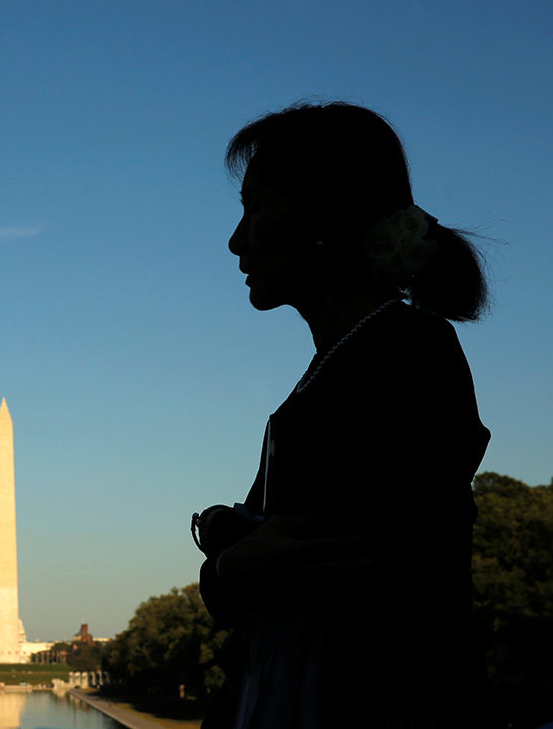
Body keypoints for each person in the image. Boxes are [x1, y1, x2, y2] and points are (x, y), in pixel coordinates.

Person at [195, 102, 491, 728]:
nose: (235, 239)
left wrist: (229, 556)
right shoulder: (348, 363)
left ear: (324, 216)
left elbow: (330, 578)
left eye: (253, 207)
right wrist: (231, 553)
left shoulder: (403, 355)